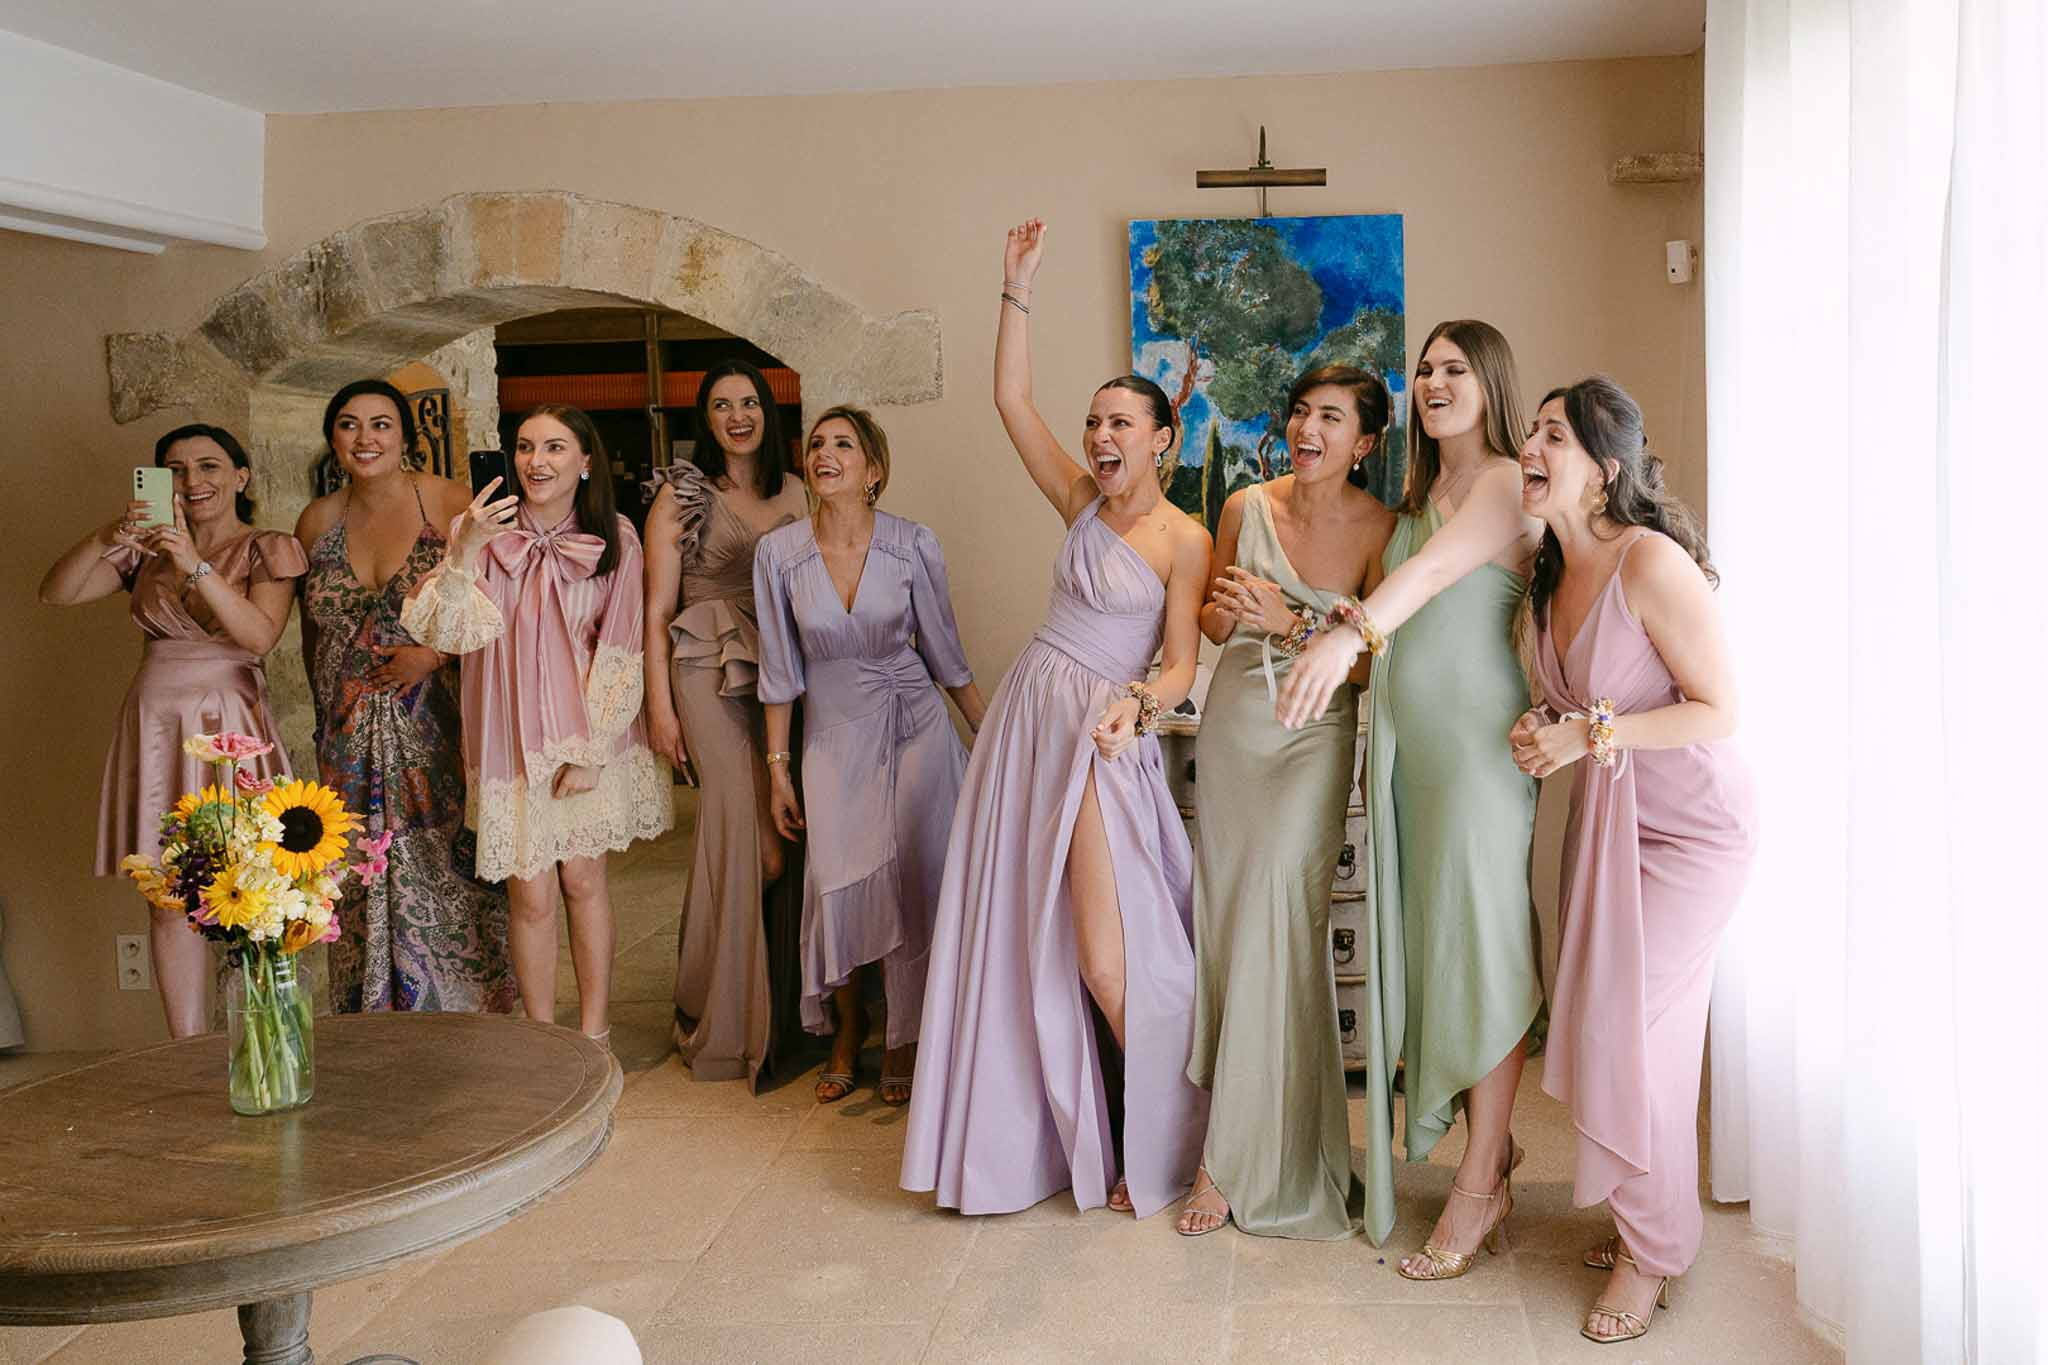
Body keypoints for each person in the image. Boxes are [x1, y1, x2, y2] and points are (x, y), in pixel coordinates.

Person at [902, 219, 1211, 1218]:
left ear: (1162, 437)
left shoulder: (1182, 537)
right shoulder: (1078, 500)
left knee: (1104, 963)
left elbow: (1177, 669)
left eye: (1122, 424)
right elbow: (1007, 399)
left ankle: (1168, 1144)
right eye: (1094, 422)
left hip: (1097, 738)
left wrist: (1130, 704)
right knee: (1013, 943)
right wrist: (1015, 287)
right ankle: (1035, 1145)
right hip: (1024, 726)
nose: (1101, 438)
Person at [1276, 319, 1544, 1267]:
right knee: (1434, 950)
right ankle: (1492, 1145)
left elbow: (1429, 578)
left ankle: (1478, 1188)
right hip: (1408, 755)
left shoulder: (1513, 479)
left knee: (1484, 943)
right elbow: (1384, 600)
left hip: (1477, 751)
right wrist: (1321, 626)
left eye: (1454, 368)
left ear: (1491, 382)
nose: (1433, 381)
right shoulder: (1420, 496)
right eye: (1424, 369)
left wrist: (1345, 638)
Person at [1510, 376, 1756, 1344]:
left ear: (1604, 469)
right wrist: (1544, 727)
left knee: (1633, 1038)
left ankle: (1651, 1252)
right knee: (1620, 1032)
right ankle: (1640, 1221)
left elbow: (1717, 709)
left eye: (1552, 435)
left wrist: (1590, 733)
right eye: (1530, 431)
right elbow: (1576, 708)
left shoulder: (1648, 561)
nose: (1531, 445)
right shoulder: (1548, 566)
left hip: (1692, 835)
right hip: (1610, 832)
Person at [1179, 365, 1397, 1238]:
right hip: (1236, 729)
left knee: (1286, 920)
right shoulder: (1245, 508)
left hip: (1314, 737)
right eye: (1301, 412)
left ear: (1364, 442)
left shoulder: (1383, 529)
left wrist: (1293, 624)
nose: (1308, 428)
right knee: (1235, 926)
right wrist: (1227, 616)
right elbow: (1209, 618)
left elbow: (1379, 658)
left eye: (1331, 418)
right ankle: (1240, 1140)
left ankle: (1227, 1163)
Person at [402, 404, 673, 1041]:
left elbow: (623, 645)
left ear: (585, 462)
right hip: (509, 737)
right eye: (525, 447)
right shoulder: (483, 534)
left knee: (583, 880)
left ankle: (595, 1036)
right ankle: (544, 1045)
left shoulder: (619, 538)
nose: (536, 461)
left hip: (587, 736)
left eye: (554, 448)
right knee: (529, 896)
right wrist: (465, 550)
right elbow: (446, 630)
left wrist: (594, 749)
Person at [754, 406, 986, 1105]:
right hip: (832, 730)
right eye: (817, 444)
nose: (827, 453)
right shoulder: (779, 553)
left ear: (873, 469)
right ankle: (850, 1028)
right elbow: (777, 671)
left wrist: (993, 737)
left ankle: (909, 1039)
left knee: (916, 876)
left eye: (844, 444)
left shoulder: (914, 544)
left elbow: (946, 654)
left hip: (914, 718)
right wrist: (777, 769)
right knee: (839, 877)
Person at [41, 424, 302, 1036]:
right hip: (155, 725)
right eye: (177, 470)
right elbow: (57, 592)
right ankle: (186, 1049)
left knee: (252, 889)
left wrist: (197, 564)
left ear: (241, 476)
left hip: (231, 721)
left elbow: (259, 635)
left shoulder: (270, 546)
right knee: (167, 897)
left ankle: (261, 1041)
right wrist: (111, 534)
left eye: (209, 467)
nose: (193, 482)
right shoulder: (143, 555)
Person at [296, 378, 514, 1013]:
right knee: (358, 874)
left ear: (405, 437)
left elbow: (504, 605)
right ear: (333, 439)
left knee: (448, 864)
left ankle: (471, 1011)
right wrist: (323, 719)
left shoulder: (448, 501)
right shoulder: (318, 520)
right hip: (346, 734)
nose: (365, 438)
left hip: (437, 723)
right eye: (349, 425)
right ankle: (372, 1020)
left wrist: (437, 654)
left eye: (381, 424)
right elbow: (310, 629)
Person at [645, 359, 810, 1087]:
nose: (737, 415)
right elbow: (654, 610)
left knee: (782, 840)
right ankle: (706, 1004)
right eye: (721, 404)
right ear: (705, 419)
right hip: (706, 667)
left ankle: (765, 1007)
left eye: (749, 402)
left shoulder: (800, 492)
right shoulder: (683, 497)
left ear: (769, 413)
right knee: (746, 837)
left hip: (782, 673)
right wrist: (658, 705)